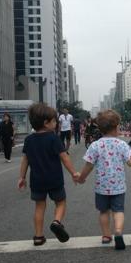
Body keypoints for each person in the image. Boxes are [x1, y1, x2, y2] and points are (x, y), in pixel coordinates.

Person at [18, 103, 80, 246]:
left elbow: (25, 160)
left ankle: (38, 236)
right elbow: (64, 157)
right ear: (46, 123)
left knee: (39, 207)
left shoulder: (29, 140)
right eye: (54, 121)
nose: (56, 123)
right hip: (54, 179)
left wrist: (21, 177)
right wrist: (73, 173)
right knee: (60, 202)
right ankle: (56, 222)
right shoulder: (53, 138)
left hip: (37, 180)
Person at [77, 110, 131, 250]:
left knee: (103, 212)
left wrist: (81, 178)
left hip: (101, 186)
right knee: (118, 211)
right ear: (116, 127)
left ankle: (106, 235)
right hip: (118, 187)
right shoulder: (121, 144)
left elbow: (89, 166)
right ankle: (118, 231)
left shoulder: (95, 145)